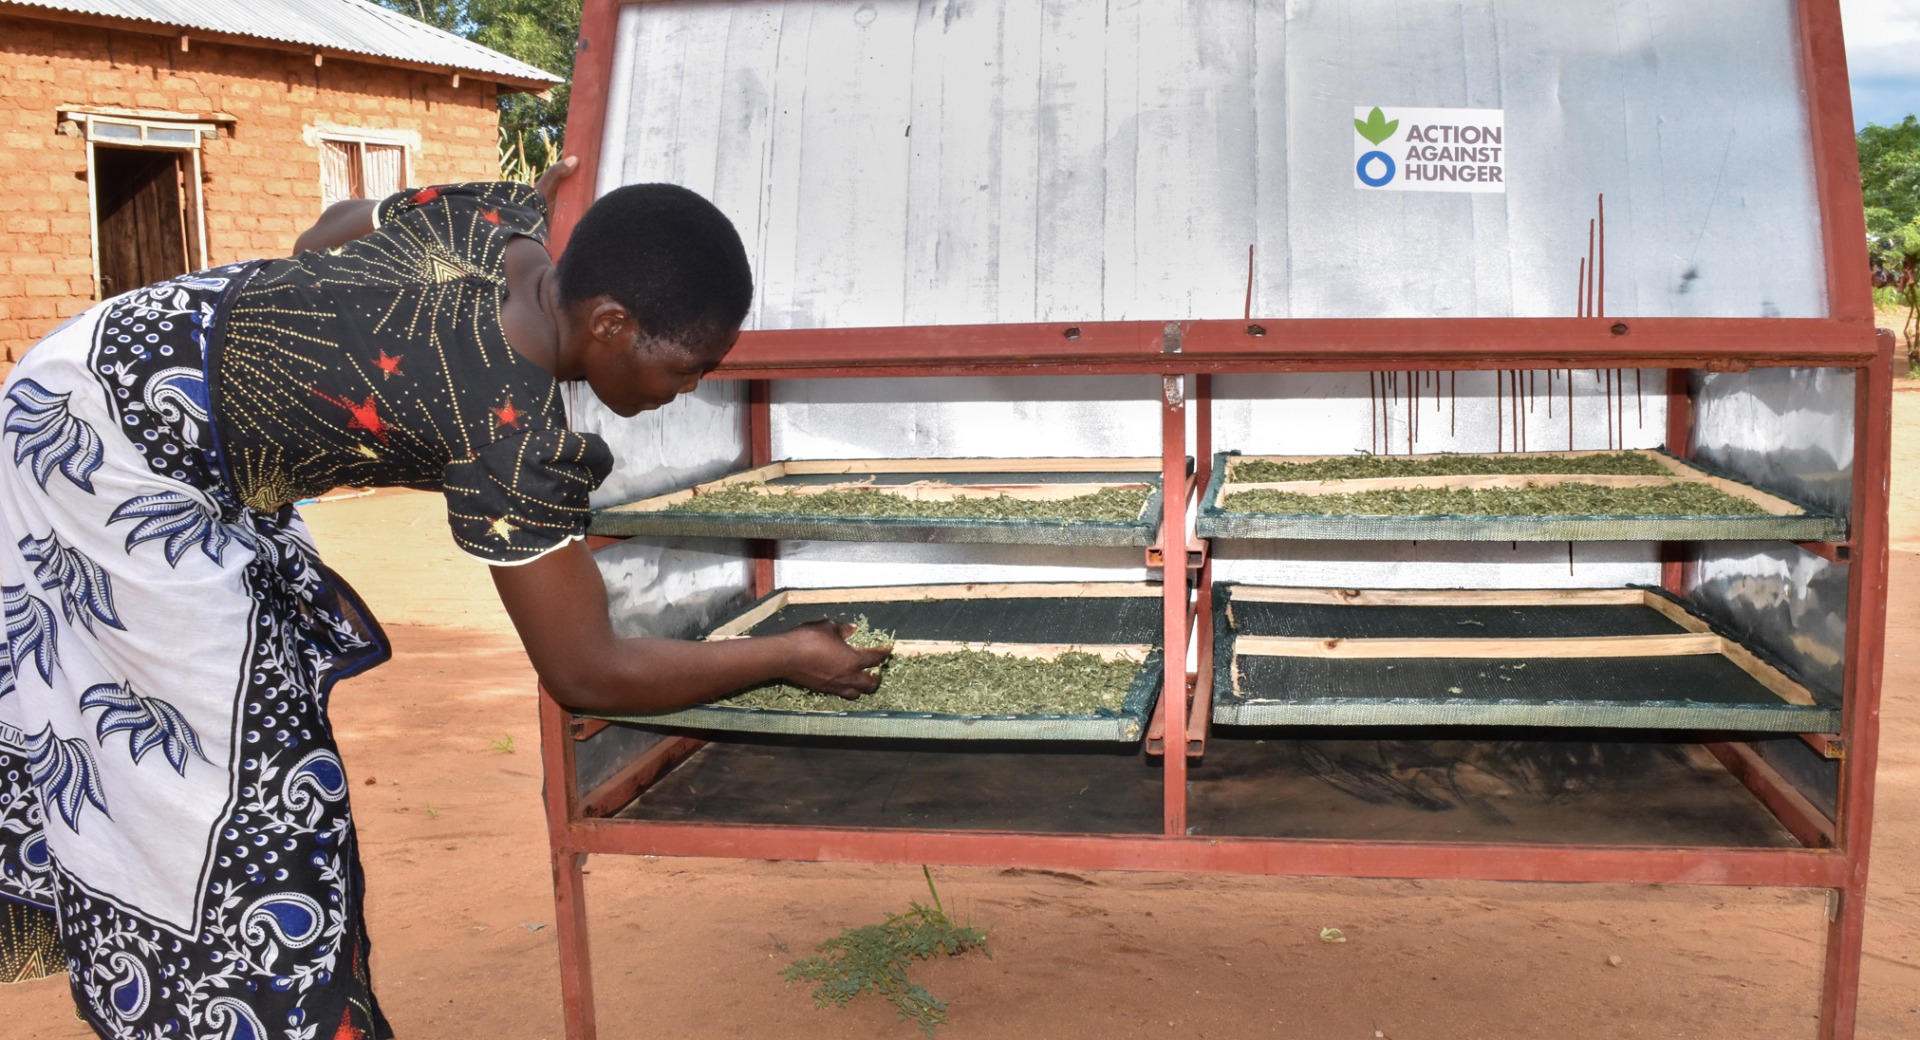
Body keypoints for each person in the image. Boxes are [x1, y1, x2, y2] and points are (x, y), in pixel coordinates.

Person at [0, 157, 888, 1038]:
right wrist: (786, 655)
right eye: (689, 367)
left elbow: (324, 232)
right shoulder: (508, 436)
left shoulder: (497, 220)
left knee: (257, 683)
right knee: (249, 796)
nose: (691, 388)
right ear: (610, 323)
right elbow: (589, 672)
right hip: (103, 454)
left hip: (112, 345)